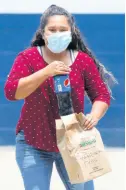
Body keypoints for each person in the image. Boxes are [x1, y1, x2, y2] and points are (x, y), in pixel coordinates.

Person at [4, 5, 117, 190]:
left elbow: (101, 94)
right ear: (43, 33)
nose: (58, 34)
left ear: (71, 32)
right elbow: (11, 92)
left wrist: (94, 115)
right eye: (52, 30)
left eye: (63, 30)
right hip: (34, 142)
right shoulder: (28, 58)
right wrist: (45, 72)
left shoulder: (82, 61)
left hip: (74, 141)